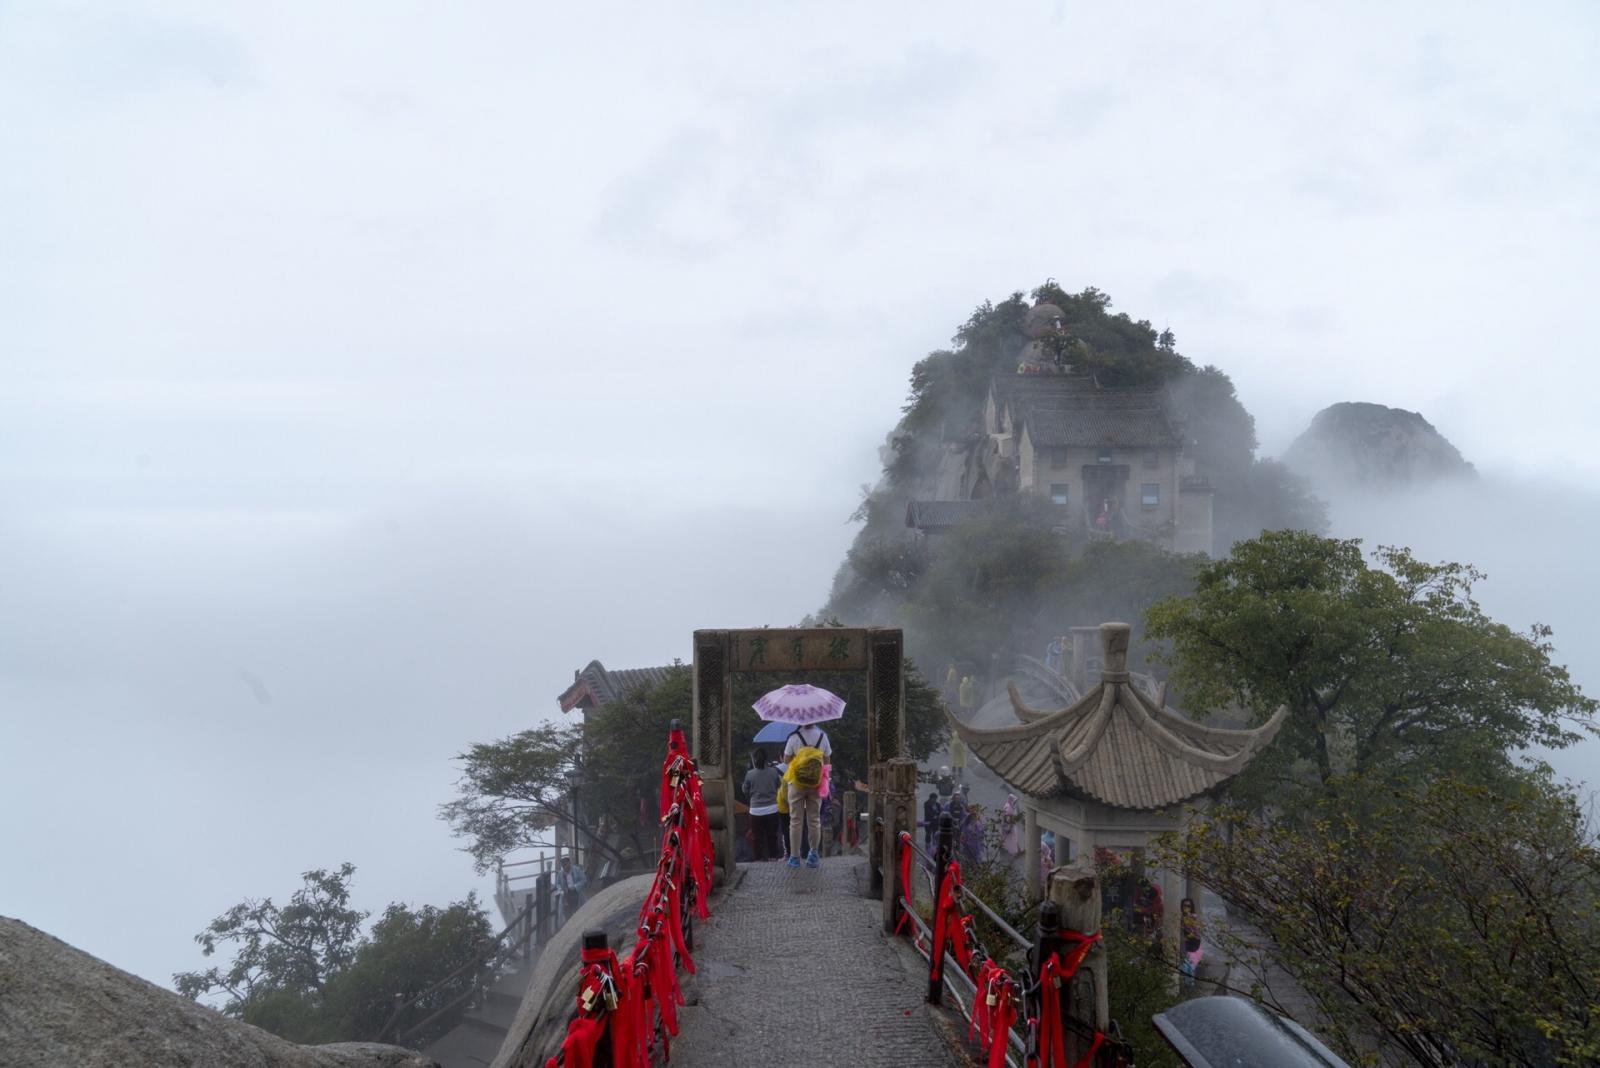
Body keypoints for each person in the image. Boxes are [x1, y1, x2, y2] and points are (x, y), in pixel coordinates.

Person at [782, 721, 832, 869]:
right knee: (814, 819)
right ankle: (813, 855)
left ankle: (795, 857)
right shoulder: (823, 737)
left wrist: (800, 759)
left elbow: (786, 760)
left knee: (795, 820)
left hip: (796, 783)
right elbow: (827, 761)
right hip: (816, 783)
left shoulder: (794, 737)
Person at [741, 748, 784, 862]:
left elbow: (745, 790)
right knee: (772, 836)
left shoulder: (750, 774)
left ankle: (758, 859)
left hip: (755, 811)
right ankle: (773, 857)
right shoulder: (774, 772)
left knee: (757, 837)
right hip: (772, 809)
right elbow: (778, 786)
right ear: (766, 759)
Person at [555, 855, 588, 924]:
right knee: (566, 912)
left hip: (576, 893)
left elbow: (584, 879)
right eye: (563, 866)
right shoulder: (560, 874)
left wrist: (575, 886)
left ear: (569, 863)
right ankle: (569, 924)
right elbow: (557, 884)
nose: (564, 867)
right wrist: (561, 890)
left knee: (578, 910)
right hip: (566, 895)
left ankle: (579, 922)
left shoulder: (577, 870)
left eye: (565, 865)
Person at [1179, 897, 1203, 989]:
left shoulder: (1192, 917)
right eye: (1184, 906)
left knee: (1186, 961)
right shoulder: (1182, 917)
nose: (1186, 908)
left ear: (1191, 907)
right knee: (1186, 962)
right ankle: (1189, 982)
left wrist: (1188, 917)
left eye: (1188, 906)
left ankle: (1189, 983)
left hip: (1193, 941)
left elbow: (1194, 926)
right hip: (1187, 941)